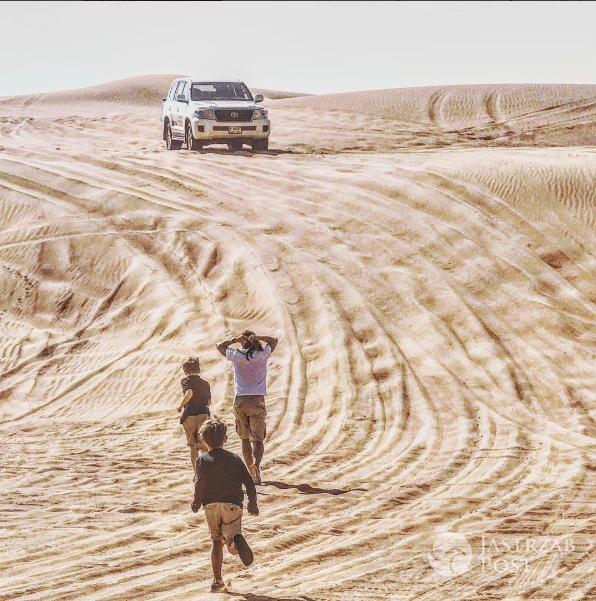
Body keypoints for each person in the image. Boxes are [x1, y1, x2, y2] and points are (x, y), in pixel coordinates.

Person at [191, 417, 259, 593]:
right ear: (225, 439)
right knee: (231, 541)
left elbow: (199, 484)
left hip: (211, 506)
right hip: (232, 505)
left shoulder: (201, 461)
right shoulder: (235, 459)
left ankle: (217, 581)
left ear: (204, 441)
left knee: (216, 542)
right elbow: (249, 483)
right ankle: (236, 543)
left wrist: (196, 502)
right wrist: (253, 503)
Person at [216, 330, 278, 485]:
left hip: (241, 399)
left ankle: (251, 472)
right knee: (257, 439)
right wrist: (260, 337)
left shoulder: (237, 355)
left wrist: (234, 339)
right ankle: (256, 466)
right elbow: (274, 340)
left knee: (244, 439)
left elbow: (219, 346)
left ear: (243, 342)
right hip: (257, 399)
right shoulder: (262, 354)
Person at [177, 356, 211, 478]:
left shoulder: (186, 381)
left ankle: (197, 474)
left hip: (190, 416)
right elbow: (208, 402)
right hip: (203, 415)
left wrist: (181, 406)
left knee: (193, 447)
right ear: (198, 369)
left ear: (185, 371)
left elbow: (189, 393)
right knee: (204, 445)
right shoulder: (206, 384)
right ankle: (206, 472)